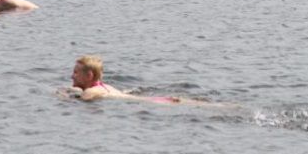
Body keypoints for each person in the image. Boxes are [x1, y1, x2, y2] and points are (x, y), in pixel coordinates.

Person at [69, 55, 213, 105]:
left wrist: (62, 97)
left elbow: (81, 100)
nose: (72, 76)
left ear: (89, 76)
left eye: (76, 72)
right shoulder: (105, 86)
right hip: (156, 99)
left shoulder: (90, 91)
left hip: (152, 103)